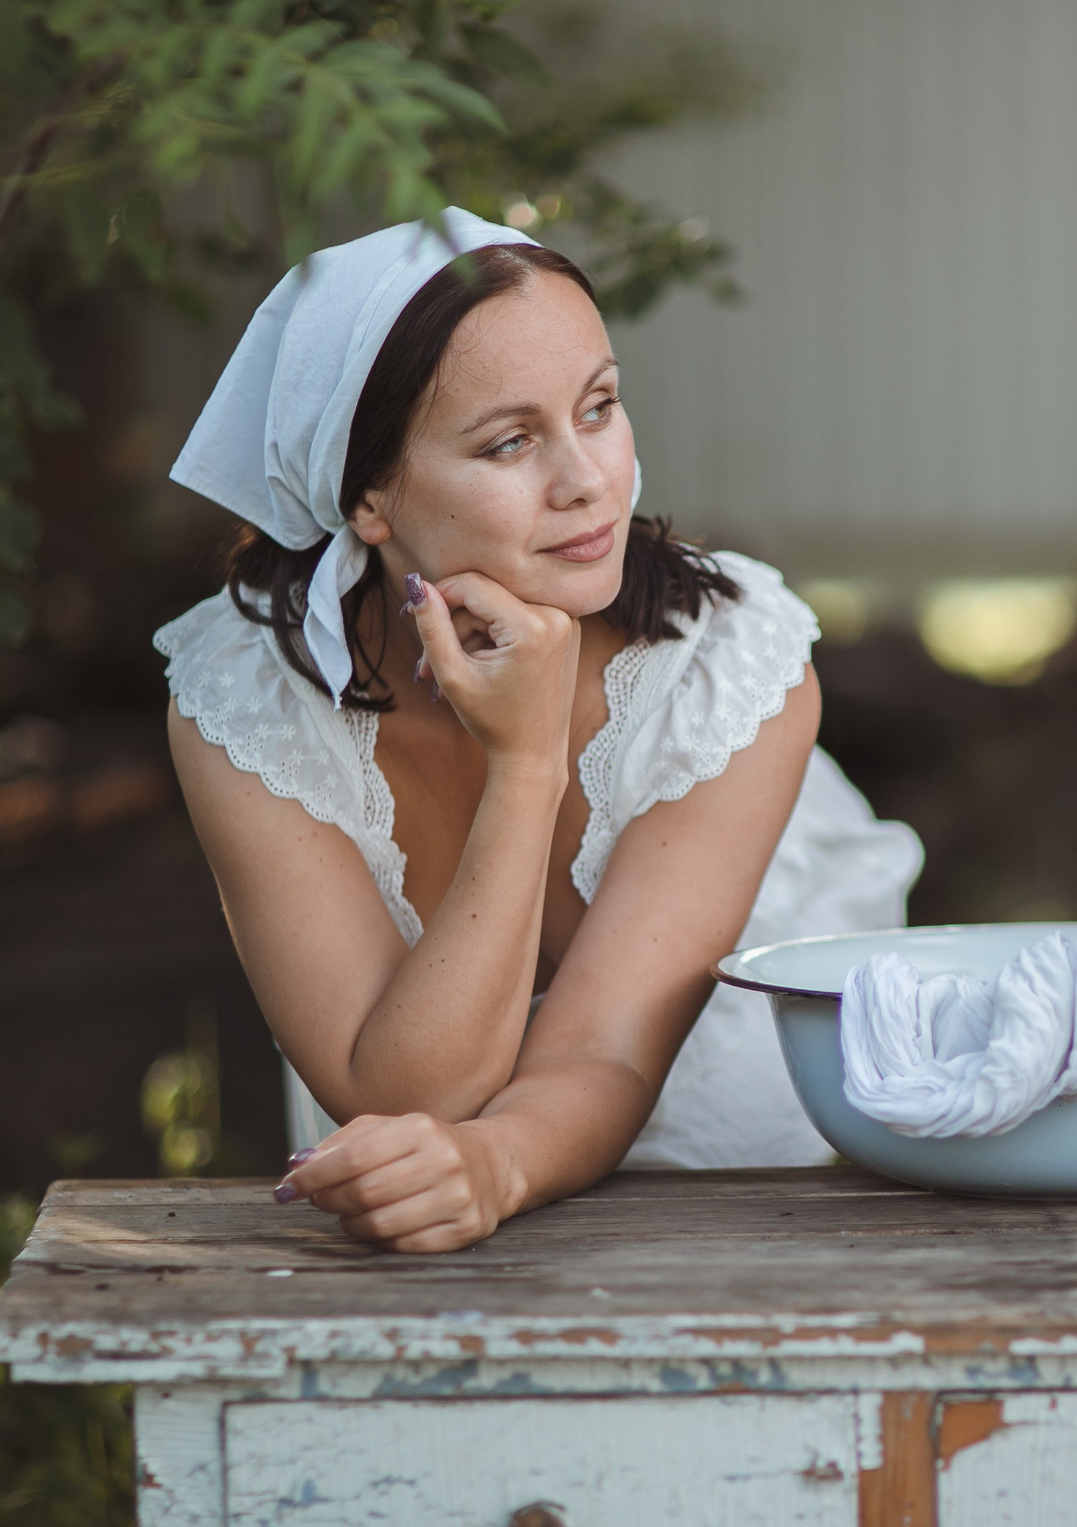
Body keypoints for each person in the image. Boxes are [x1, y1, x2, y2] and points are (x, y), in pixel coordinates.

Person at [156, 209, 921, 1253]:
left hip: (742, 1189)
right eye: (510, 441)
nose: (585, 480)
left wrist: (491, 1161)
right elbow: (405, 1094)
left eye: (598, 408)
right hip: (432, 1208)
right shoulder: (242, 698)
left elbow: (606, 1052)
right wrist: (525, 764)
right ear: (368, 495)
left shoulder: (732, 668)